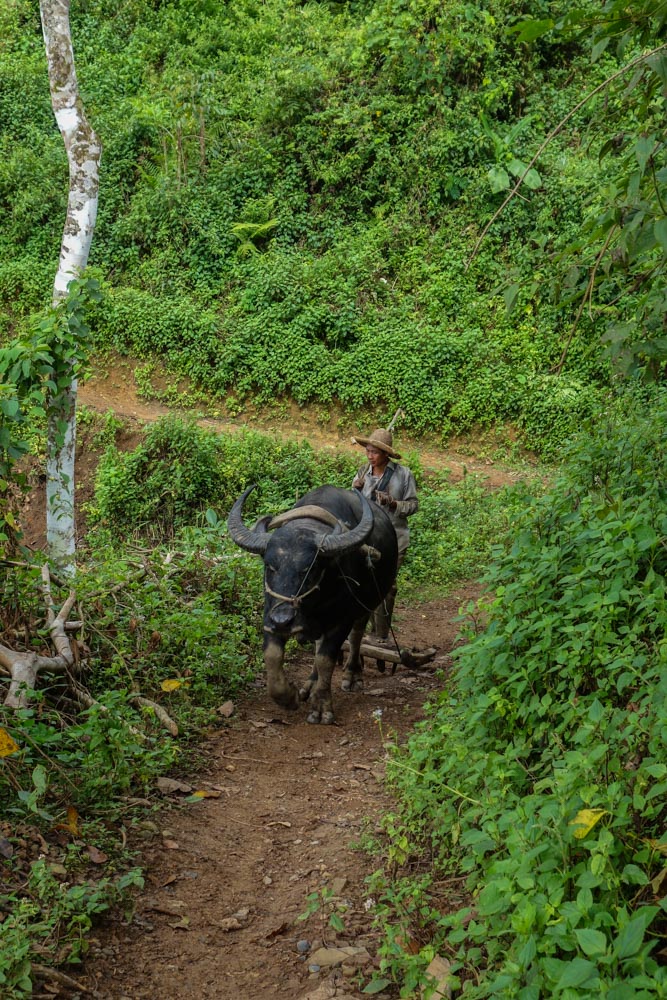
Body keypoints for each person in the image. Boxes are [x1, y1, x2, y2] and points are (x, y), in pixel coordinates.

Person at [351, 427, 418, 640]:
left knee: (386, 585)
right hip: (368, 536)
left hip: (395, 537)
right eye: (368, 451)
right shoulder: (362, 473)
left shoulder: (403, 474)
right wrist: (355, 490)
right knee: (365, 583)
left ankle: (381, 635)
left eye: (375, 452)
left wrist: (393, 503)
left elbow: (413, 505)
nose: (370, 456)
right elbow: (353, 504)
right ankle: (363, 631)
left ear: (386, 454)